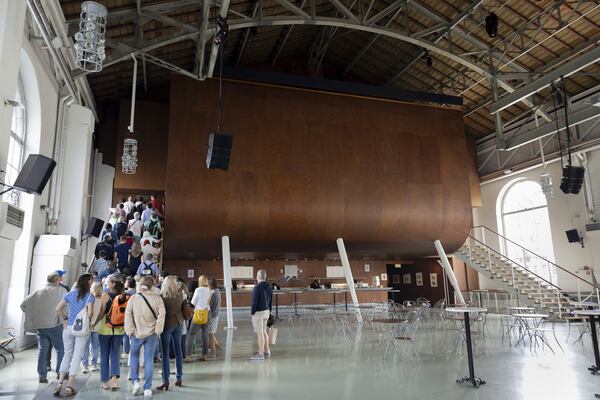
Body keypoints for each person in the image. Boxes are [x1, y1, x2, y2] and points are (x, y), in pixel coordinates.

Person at [20, 272, 67, 383]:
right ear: (57, 280)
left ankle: (42, 376)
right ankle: (60, 374)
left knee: (42, 351)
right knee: (61, 350)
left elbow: (23, 305)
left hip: (41, 327)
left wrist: (36, 315)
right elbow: (67, 306)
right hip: (56, 326)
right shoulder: (61, 291)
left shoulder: (37, 292)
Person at [54, 274, 95, 397]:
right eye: (91, 281)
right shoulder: (89, 297)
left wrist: (65, 318)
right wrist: (88, 320)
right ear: (87, 282)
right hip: (81, 329)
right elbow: (90, 313)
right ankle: (69, 386)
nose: (92, 283)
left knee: (67, 354)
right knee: (77, 356)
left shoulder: (69, 294)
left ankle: (60, 383)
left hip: (68, 328)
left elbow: (58, 309)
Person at [125, 276, 166, 398]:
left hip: (136, 333)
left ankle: (135, 382)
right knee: (148, 360)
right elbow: (162, 315)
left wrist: (130, 330)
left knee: (134, 357)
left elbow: (128, 315)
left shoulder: (134, 298)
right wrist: (158, 329)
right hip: (152, 333)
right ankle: (147, 388)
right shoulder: (158, 299)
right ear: (152, 286)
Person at [97, 276, 128, 391]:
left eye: (108, 281)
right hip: (119, 329)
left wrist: (94, 322)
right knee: (115, 355)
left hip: (105, 328)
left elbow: (101, 312)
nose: (106, 283)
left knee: (104, 355)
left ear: (113, 284)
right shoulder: (124, 296)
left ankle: (105, 382)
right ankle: (114, 382)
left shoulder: (105, 296)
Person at [158, 276, 184, 390]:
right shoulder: (180, 294)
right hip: (178, 323)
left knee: (165, 353)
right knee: (178, 351)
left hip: (167, 325)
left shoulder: (162, 297)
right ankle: (179, 378)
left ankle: (166, 380)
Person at [185, 275, 210, 362]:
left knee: (191, 334)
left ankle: (188, 356)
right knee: (205, 334)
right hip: (207, 313)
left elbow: (193, 302)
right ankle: (204, 355)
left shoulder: (198, 290)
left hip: (199, 313)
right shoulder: (209, 290)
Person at [250, 270, 272, 360]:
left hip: (258, 312)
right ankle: (267, 351)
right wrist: (270, 310)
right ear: (265, 277)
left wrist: (252, 312)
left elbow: (254, 302)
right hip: (266, 311)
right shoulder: (269, 286)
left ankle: (260, 354)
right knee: (264, 332)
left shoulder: (257, 287)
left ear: (257, 277)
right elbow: (271, 300)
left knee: (260, 334)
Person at [81, 282, 103, 374]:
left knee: (85, 346)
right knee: (96, 346)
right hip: (98, 326)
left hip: (87, 325)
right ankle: (93, 364)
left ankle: (85, 365)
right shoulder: (103, 300)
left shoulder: (88, 299)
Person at [207, 278, 221, 358]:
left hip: (212, 316)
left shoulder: (213, 293)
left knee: (210, 333)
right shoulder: (217, 291)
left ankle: (213, 351)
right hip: (215, 315)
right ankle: (217, 346)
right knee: (211, 332)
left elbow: (209, 305)